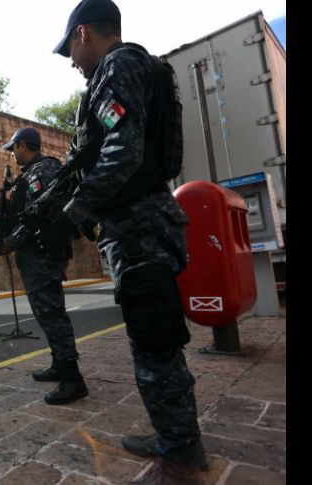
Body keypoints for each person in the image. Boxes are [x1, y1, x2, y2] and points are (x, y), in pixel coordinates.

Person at [52, 1, 207, 483]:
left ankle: (180, 455)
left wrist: (82, 205)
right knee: (154, 334)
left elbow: (124, 148)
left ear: (83, 35)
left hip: (137, 224)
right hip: (145, 218)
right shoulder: (141, 65)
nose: (75, 64)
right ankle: (174, 435)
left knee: (154, 337)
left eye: (72, 53)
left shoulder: (116, 65)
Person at [0, 126, 88, 405]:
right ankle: (59, 364)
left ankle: (72, 378)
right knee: (46, 313)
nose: (13, 155)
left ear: (23, 146)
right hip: (35, 254)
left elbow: (41, 214)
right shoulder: (32, 174)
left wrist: (12, 241)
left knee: (51, 314)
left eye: (14, 149)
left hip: (42, 253)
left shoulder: (43, 171)